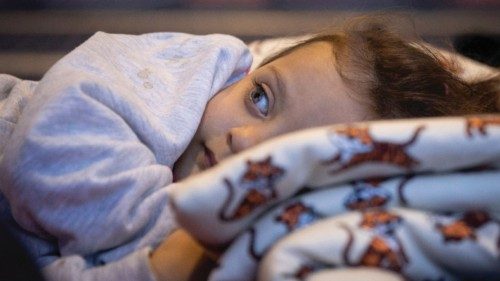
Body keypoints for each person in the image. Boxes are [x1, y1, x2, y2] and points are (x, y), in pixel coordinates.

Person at [0, 18, 499, 281]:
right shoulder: (196, 67)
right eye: (260, 99)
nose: (246, 141)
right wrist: (173, 230)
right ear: (245, 75)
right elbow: (54, 142)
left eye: (286, 156)